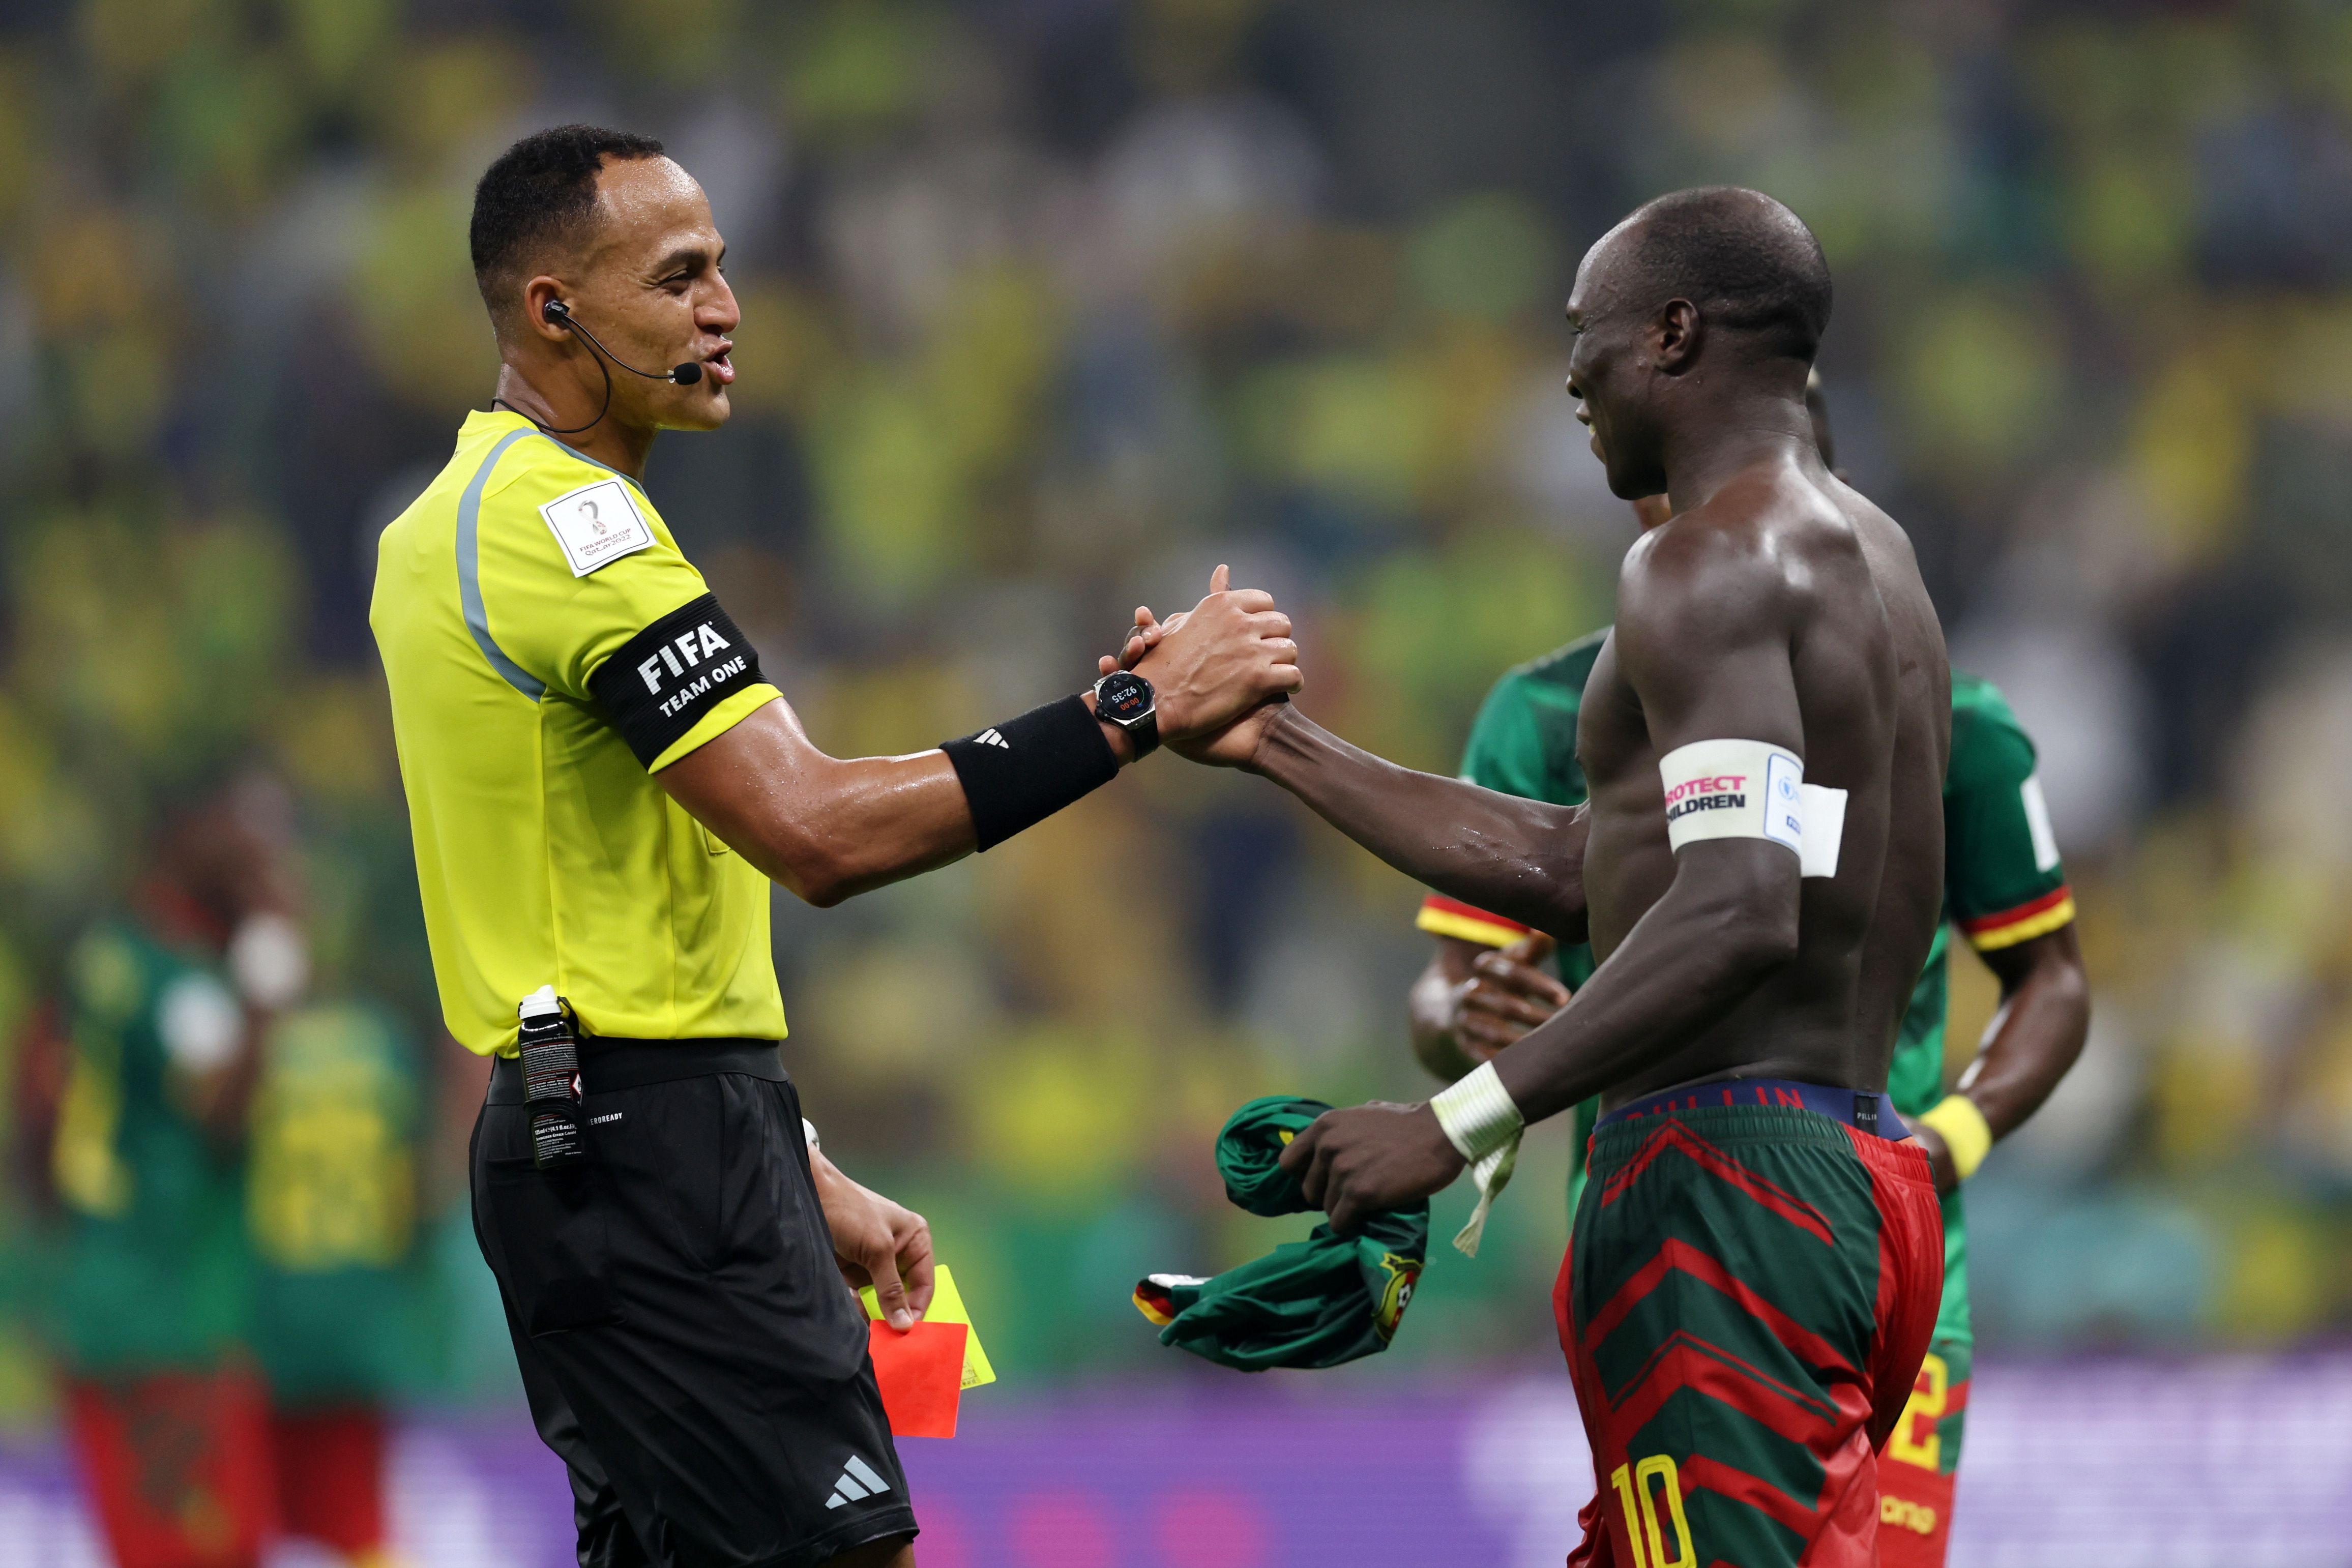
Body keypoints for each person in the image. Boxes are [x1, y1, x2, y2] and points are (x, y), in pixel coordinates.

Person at [368, 125, 1299, 1568]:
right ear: (553, 308)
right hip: (652, 1158)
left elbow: (607, 914)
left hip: (623, 1138)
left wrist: (793, 1161)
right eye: (678, 278)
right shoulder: (569, 528)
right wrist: (1129, 712)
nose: (726, 309)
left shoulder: (463, 520)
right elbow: (814, 829)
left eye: (724, 270)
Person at [1126, 187, 1951, 1564]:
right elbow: (1603, 866)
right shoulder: (1866, 552)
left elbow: (1738, 909)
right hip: (1848, 1172)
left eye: (1590, 333)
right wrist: (1276, 740)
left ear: (1675, 332)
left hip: (1724, 1189)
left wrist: (1453, 1120)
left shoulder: (1702, 563)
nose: (1570, 371)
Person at [1401, 377, 2091, 1565]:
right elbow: (1442, 985)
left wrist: (1955, 1136)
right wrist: (1461, 1020)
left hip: (1868, 1221)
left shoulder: (1950, 728)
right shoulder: (1543, 714)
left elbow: (2051, 981)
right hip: (1660, 1236)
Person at [28, 774, 308, 1568]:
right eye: (243, 828)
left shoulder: (103, 953)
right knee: (210, 1554)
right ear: (188, 836)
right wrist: (270, 979)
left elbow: (39, 1108)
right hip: (172, 1318)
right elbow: (219, 1116)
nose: (264, 850)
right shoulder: (178, 980)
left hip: (105, 1300)